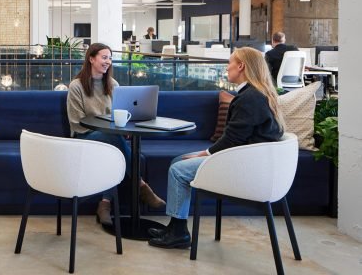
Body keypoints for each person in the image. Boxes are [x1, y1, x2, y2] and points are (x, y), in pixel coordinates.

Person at [147, 47, 285, 249]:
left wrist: (204, 153)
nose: (226, 68)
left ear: (241, 66)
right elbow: (236, 139)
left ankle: (178, 233)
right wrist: (204, 154)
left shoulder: (250, 99)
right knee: (178, 161)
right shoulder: (256, 94)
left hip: (245, 167)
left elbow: (232, 139)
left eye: (230, 62)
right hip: (249, 160)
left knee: (178, 170)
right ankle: (175, 226)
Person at [66, 43, 166, 226]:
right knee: (112, 140)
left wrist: (122, 128)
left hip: (110, 138)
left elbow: (121, 113)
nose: (108, 62)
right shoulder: (76, 86)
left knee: (113, 147)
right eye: (104, 57)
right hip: (84, 138)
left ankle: (105, 204)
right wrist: (110, 132)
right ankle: (141, 185)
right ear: (91, 59)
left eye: (110, 58)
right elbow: (76, 122)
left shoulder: (113, 85)